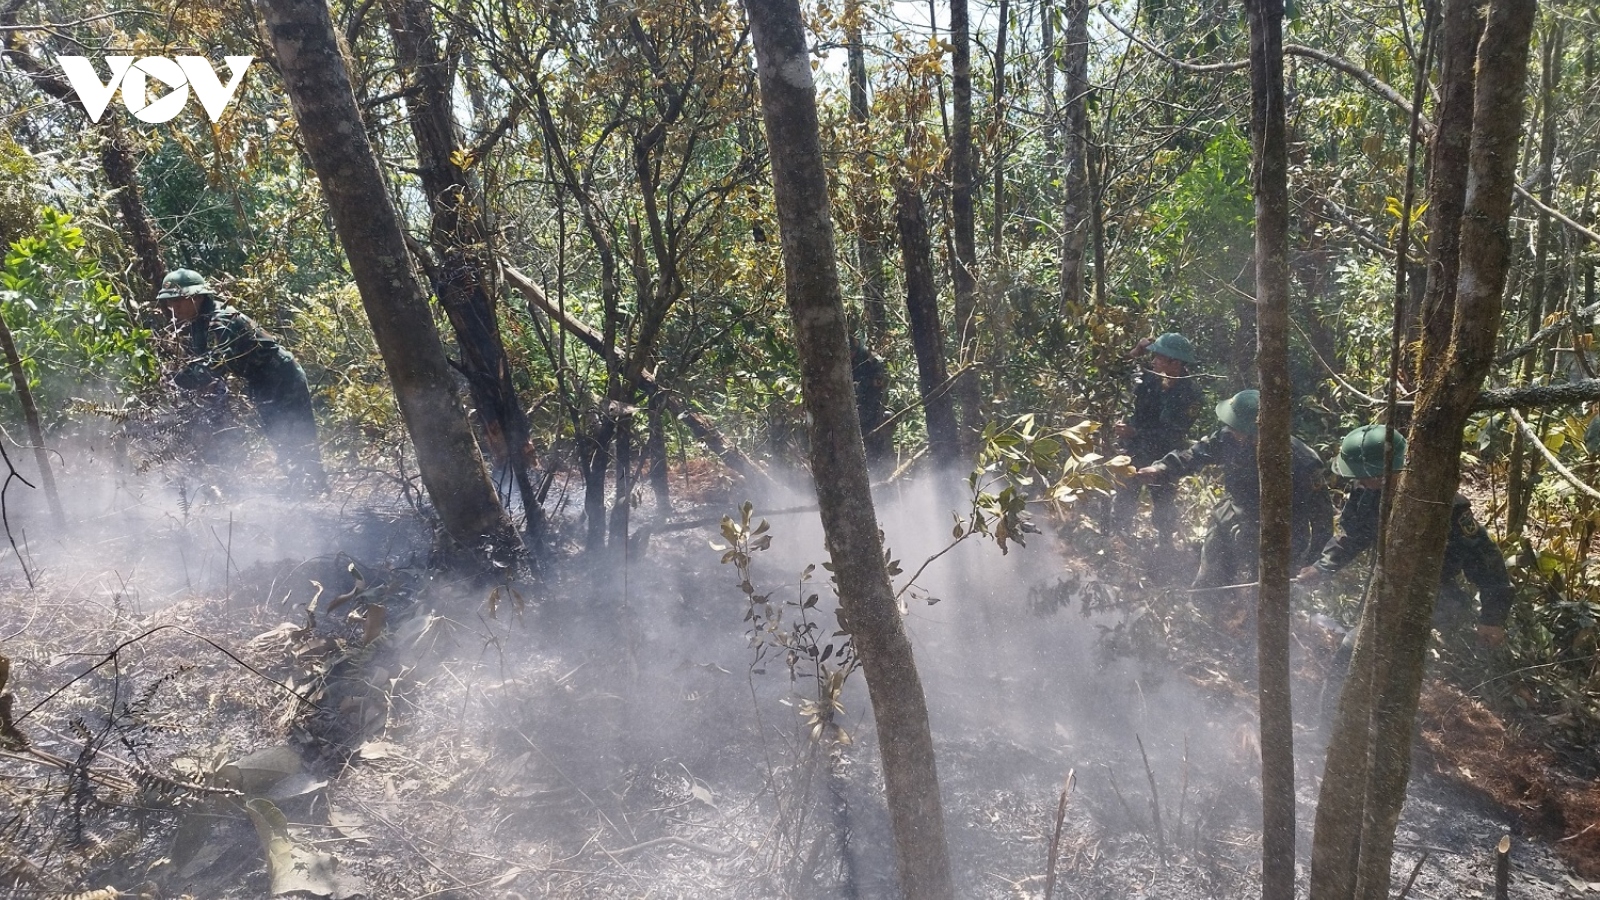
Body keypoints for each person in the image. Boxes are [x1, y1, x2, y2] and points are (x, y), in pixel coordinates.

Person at [1295, 424, 1513, 648]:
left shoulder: (1441, 504)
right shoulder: (1366, 493)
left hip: (1435, 597)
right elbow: (1351, 535)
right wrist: (1322, 567)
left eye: (1365, 476)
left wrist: (1492, 619)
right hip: (1386, 589)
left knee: (1355, 648)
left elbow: (1485, 560)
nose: (1360, 481)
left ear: (1386, 471)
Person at [1134, 389, 1333, 590]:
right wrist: (1161, 469)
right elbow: (1195, 455)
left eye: (1234, 427)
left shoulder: (1302, 461)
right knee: (1208, 586)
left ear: (1255, 433)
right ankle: (1209, 610)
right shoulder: (1228, 438)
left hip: (1280, 537)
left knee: (1264, 598)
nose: (1228, 429)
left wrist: (1316, 564)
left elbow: (1322, 519)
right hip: (1233, 516)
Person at [157, 268, 326, 493]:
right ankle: (301, 485)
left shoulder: (222, 320)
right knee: (277, 432)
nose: (174, 309)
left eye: (178, 302)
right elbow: (202, 361)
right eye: (170, 304)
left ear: (195, 297)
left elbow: (215, 365)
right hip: (260, 381)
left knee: (295, 432)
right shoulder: (199, 321)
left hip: (283, 378)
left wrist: (179, 380)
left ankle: (315, 487)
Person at [1113, 332, 1202, 547]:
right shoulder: (1149, 377)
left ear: (1175, 362)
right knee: (1125, 495)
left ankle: (1165, 548)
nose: (1153, 361)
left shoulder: (1190, 394)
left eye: (1159, 357)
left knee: (1164, 504)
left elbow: (1173, 434)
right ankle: (1118, 540)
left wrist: (1135, 432)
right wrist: (1136, 352)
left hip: (1164, 456)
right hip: (1134, 450)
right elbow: (1114, 373)